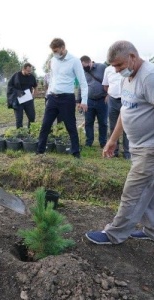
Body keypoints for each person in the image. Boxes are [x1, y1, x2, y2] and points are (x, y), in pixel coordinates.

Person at [85, 40, 154, 245]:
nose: (116, 70)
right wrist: (112, 140)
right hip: (137, 145)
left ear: (132, 57)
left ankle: (114, 234)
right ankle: (152, 230)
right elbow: (126, 112)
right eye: (113, 66)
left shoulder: (149, 77)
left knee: (132, 192)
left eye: (119, 65)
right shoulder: (127, 78)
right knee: (148, 193)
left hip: (150, 148)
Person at [36, 38, 88, 158]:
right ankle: (40, 152)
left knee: (70, 126)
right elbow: (53, 78)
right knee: (45, 125)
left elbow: (83, 83)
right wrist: (49, 94)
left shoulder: (74, 61)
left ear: (63, 48)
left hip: (66, 99)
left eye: (56, 50)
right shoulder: (53, 60)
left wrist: (84, 101)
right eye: (52, 51)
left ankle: (76, 153)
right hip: (53, 98)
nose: (54, 53)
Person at [102, 65, 130, 159]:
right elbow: (106, 86)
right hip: (113, 100)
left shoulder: (127, 68)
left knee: (126, 126)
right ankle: (114, 151)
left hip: (126, 99)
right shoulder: (108, 69)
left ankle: (127, 152)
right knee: (113, 126)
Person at [80, 55, 108, 148]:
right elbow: (81, 86)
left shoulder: (102, 67)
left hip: (102, 100)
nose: (84, 68)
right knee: (88, 122)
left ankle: (103, 142)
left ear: (90, 62)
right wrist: (79, 100)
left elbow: (110, 80)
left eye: (85, 66)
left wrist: (108, 94)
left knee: (103, 123)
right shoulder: (83, 72)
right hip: (89, 100)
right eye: (82, 67)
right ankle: (89, 142)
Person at [7, 63, 37, 128]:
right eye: (28, 71)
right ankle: (20, 134)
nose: (30, 72)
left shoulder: (32, 77)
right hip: (18, 100)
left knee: (32, 117)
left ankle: (30, 132)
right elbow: (9, 86)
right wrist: (17, 92)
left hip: (28, 99)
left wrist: (33, 95)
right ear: (23, 69)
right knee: (19, 119)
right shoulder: (16, 76)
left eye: (30, 71)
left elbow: (35, 86)